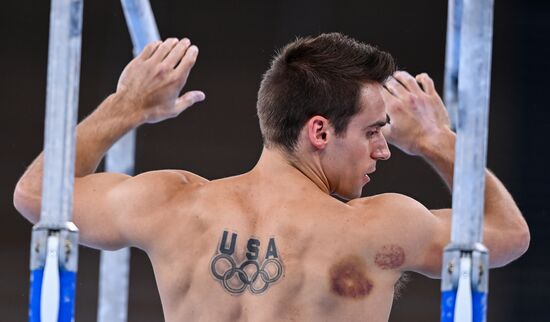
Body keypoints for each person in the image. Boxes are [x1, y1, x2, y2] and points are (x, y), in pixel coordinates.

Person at [14, 33, 529, 322]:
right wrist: (437, 141)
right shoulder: (380, 228)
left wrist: (126, 107)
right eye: (374, 131)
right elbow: (506, 236)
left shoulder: (169, 204)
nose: (383, 150)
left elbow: (38, 194)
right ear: (320, 131)